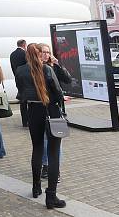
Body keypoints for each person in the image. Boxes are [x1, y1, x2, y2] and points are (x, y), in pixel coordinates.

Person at [15, 43, 65, 209]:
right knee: (53, 153)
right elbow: (58, 92)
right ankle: (51, 196)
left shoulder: (20, 70)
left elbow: (20, 91)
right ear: (38, 54)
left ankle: (36, 187)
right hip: (50, 110)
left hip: (33, 110)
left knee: (36, 149)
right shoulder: (47, 69)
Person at [38, 43, 71, 180]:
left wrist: (58, 65)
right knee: (45, 139)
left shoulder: (53, 68)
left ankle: (55, 168)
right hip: (41, 107)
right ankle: (46, 165)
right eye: (43, 52)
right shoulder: (36, 69)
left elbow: (67, 79)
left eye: (47, 52)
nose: (46, 54)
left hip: (54, 108)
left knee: (56, 137)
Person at [9, 39, 28, 127]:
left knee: (22, 100)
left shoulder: (12, 54)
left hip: (18, 78)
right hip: (26, 79)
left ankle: (24, 121)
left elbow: (13, 67)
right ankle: (29, 120)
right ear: (24, 45)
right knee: (29, 99)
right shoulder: (25, 54)